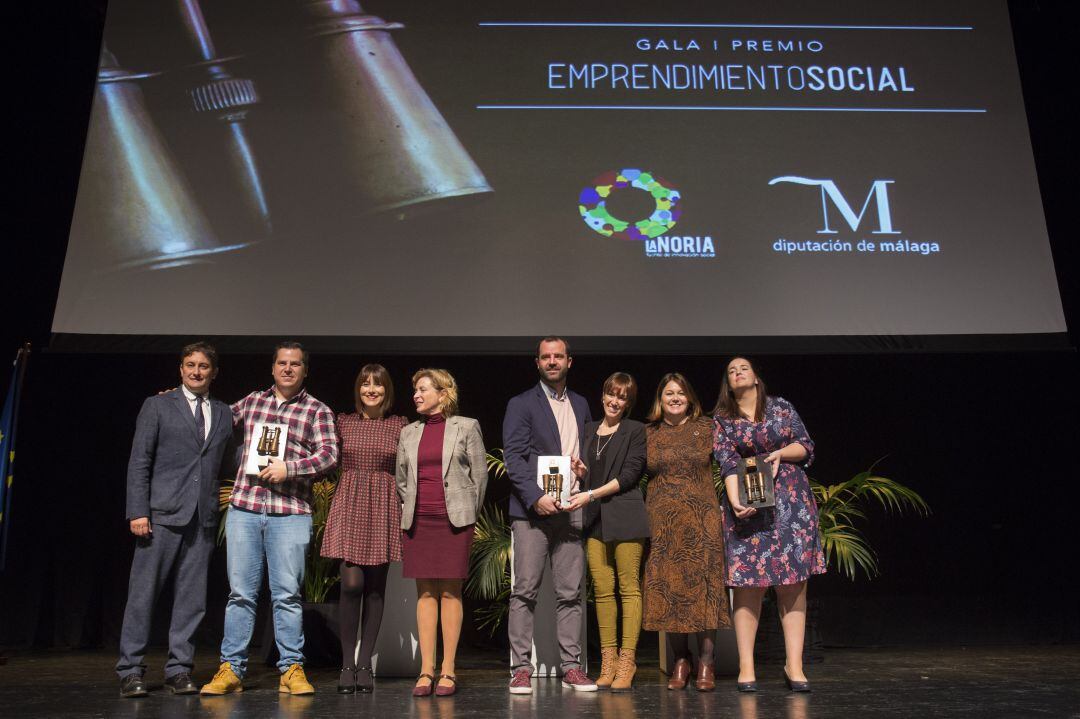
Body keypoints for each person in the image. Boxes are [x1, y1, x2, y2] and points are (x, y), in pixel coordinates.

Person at [200, 342, 339, 696]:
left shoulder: (316, 410)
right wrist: (180, 399)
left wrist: (290, 468)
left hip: (290, 513)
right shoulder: (252, 402)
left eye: (295, 364)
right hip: (246, 508)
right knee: (241, 595)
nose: (288, 369)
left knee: (287, 595)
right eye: (282, 363)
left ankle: (291, 668)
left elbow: (329, 456)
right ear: (273, 368)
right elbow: (214, 421)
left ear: (305, 370)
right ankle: (231, 668)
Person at [116, 343, 236, 698]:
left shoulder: (225, 412)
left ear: (214, 372)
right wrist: (138, 510)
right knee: (143, 595)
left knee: (192, 600)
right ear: (180, 369)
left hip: (202, 518)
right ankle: (130, 669)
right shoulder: (157, 405)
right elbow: (140, 461)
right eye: (190, 365)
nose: (196, 371)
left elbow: (226, 462)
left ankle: (180, 669)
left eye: (203, 366)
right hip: (161, 516)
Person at [712, 356, 824, 693]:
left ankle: (794, 665)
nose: (738, 373)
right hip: (748, 502)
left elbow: (805, 446)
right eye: (731, 371)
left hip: (790, 503)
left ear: (757, 377)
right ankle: (747, 667)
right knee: (748, 586)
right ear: (727, 384)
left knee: (792, 586)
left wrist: (779, 455)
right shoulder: (722, 420)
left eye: (743, 368)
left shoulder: (781, 407)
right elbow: (727, 462)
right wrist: (734, 501)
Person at [503, 337, 596, 694]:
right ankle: (521, 669)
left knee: (571, 593)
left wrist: (585, 473)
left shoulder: (581, 403)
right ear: (537, 363)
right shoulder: (521, 403)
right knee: (524, 591)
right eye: (546, 357)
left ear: (569, 361)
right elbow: (514, 456)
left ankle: (572, 667)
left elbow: (584, 455)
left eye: (558, 356)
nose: (552, 361)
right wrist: (535, 497)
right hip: (532, 513)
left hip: (571, 509)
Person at [396, 368, 488, 697]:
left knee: (450, 592)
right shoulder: (408, 432)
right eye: (415, 390)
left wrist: (467, 516)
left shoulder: (467, 427)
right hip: (419, 521)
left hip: (454, 522)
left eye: (423, 389)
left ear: (443, 393)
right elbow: (402, 480)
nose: (416, 395)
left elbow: (480, 478)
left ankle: (448, 669)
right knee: (424, 594)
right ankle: (426, 669)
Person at [641, 373, 730, 692]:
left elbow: (734, 464)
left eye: (681, 392)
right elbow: (626, 470)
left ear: (690, 398)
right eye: (669, 393)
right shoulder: (647, 432)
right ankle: (681, 660)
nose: (675, 397)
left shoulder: (708, 428)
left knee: (704, 592)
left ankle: (707, 661)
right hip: (663, 525)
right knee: (670, 592)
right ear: (659, 399)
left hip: (701, 521)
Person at [321, 364, 407, 693]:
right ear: (358, 389)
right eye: (365, 384)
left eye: (378, 385)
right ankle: (346, 663)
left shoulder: (399, 425)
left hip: (383, 504)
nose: (371, 389)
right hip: (350, 502)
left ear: (387, 391)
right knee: (352, 584)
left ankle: (363, 665)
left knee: (374, 589)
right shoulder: (342, 422)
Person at [564, 372, 648, 691]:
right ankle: (608, 660)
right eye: (612, 394)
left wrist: (591, 493)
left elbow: (629, 476)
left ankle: (627, 660)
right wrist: (584, 475)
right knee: (602, 591)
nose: (615, 401)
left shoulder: (635, 430)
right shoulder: (588, 431)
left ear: (628, 403)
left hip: (626, 516)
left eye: (622, 397)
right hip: (595, 520)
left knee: (628, 589)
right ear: (603, 395)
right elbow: (590, 477)